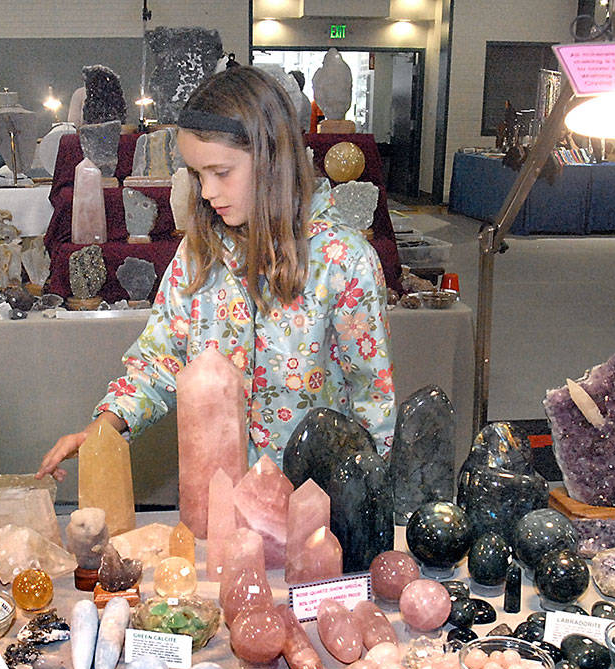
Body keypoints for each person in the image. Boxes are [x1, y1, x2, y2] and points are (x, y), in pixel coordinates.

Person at [37, 66, 396, 481]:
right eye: (197, 175)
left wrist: (365, 508)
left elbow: (373, 402)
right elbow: (161, 359)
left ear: (271, 158)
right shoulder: (199, 253)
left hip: (313, 507)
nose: (207, 192)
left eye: (221, 172)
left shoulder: (344, 262)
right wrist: (106, 424)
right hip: (218, 499)